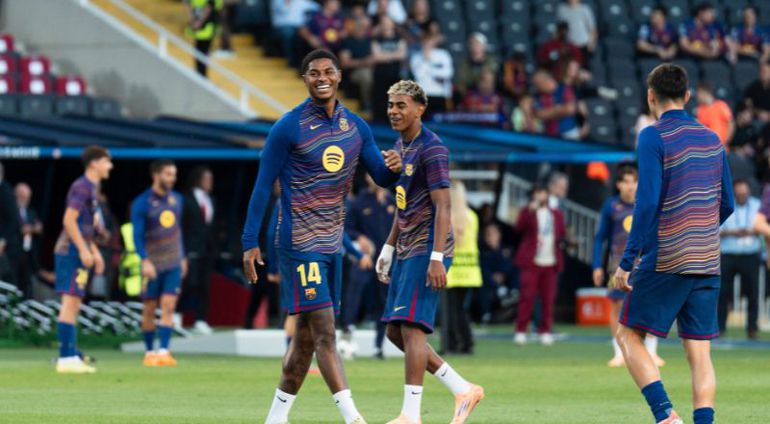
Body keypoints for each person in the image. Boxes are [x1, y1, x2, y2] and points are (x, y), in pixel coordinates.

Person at [241, 49, 402, 424]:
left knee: (307, 341)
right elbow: (263, 186)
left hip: (332, 244)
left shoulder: (357, 129)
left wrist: (396, 167)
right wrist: (250, 241)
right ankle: (354, 418)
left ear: (340, 76)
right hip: (298, 243)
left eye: (328, 71)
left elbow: (380, 175)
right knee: (326, 330)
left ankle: (275, 419)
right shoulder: (288, 126)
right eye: (313, 73)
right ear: (305, 79)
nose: (322, 77)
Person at [613, 63, 734, 424]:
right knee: (699, 353)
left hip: (667, 255)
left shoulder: (652, 136)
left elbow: (646, 202)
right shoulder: (713, 138)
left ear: (651, 97)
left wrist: (627, 259)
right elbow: (726, 202)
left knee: (627, 334)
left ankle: (666, 417)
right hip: (708, 259)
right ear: (687, 96)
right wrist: (699, 231)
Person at [375, 80, 484, 424]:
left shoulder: (432, 149)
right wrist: (389, 246)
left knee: (412, 329)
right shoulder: (400, 146)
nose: (394, 111)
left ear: (420, 109)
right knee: (395, 332)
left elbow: (444, 207)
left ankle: (411, 415)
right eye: (391, 105)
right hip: (407, 246)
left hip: (427, 248)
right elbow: (403, 203)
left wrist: (438, 257)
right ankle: (462, 389)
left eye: (401, 105)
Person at [592, 166, 665, 367]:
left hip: (645, 264)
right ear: (618, 184)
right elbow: (600, 238)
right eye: (625, 181)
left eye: (633, 181)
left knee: (650, 305)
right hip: (617, 266)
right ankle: (619, 352)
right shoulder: (611, 206)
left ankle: (651, 351)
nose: (630, 186)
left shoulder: (648, 203)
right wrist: (597, 265)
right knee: (616, 306)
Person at [54, 146, 113, 374]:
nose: (110, 166)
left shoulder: (92, 188)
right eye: (107, 161)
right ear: (94, 163)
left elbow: (85, 226)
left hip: (78, 250)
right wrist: (83, 250)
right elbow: (69, 221)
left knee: (75, 302)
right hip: (70, 251)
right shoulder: (81, 187)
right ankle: (66, 358)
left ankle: (71, 354)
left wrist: (94, 252)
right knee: (69, 302)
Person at [131, 160, 188, 367]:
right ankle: (148, 352)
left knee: (169, 305)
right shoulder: (142, 203)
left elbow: (177, 231)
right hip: (152, 265)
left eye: (174, 174)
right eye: (168, 174)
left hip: (173, 262)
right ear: (156, 175)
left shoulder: (177, 200)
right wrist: (144, 260)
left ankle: (164, 351)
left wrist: (182, 257)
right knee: (149, 308)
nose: (172, 178)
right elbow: (137, 235)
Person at [345, 174, 395, 358]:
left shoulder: (393, 201)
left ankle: (379, 347)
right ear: (367, 178)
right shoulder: (360, 201)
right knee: (354, 296)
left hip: (387, 261)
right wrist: (360, 238)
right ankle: (347, 339)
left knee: (384, 301)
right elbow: (347, 228)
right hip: (366, 259)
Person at [513, 184, 567, 346]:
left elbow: (561, 233)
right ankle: (521, 330)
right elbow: (518, 228)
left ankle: (545, 331)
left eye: (544, 193)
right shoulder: (527, 211)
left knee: (548, 299)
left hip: (550, 261)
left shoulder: (556, 214)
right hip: (532, 261)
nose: (541, 196)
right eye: (538, 193)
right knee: (526, 297)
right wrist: (530, 212)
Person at [719, 179, 761, 339]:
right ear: (734, 193)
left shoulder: (757, 205)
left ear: (749, 192)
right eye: (739, 193)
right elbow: (717, 229)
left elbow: (762, 225)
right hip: (728, 254)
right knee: (723, 293)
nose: (742, 195)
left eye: (744, 192)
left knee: (753, 294)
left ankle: (752, 329)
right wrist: (733, 232)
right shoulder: (727, 205)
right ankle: (720, 328)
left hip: (750, 255)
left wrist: (752, 231)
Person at [444, 180, 482, 354]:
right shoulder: (472, 217)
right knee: (461, 310)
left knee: (450, 310)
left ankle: (451, 344)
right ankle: (466, 342)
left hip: (452, 269)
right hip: (470, 270)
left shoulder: (447, 217)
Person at [181, 166, 216, 335]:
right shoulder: (186, 200)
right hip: (190, 250)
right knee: (189, 284)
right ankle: (176, 314)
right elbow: (183, 226)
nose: (210, 182)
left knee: (204, 286)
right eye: (206, 179)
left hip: (206, 251)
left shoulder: (211, 200)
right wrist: (184, 250)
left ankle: (201, 319)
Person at [371, 16, 407, 122]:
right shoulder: (376, 39)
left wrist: (385, 56)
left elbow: (402, 54)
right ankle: (380, 118)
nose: (386, 25)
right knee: (381, 97)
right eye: (383, 22)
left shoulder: (399, 38)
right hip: (380, 73)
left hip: (395, 73)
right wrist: (393, 55)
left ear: (392, 24)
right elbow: (376, 57)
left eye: (388, 22)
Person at [409, 31, 453, 118]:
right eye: (425, 41)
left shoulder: (443, 54)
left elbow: (448, 73)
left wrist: (430, 70)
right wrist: (426, 59)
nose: (427, 44)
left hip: (440, 94)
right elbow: (418, 75)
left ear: (433, 42)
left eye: (429, 41)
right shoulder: (416, 57)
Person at [339, 15, 375, 114]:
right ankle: (366, 104)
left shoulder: (369, 41)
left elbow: (374, 57)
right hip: (352, 73)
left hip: (370, 68)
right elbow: (344, 63)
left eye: (365, 27)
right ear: (355, 27)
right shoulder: (348, 41)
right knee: (366, 75)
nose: (363, 29)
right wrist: (363, 62)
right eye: (360, 26)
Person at [531, 69, 579, 140]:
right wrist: (558, 109)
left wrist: (550, 111)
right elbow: (539, 114)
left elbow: (570, 109)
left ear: (545, 81)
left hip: (569, 133)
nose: (536, 87)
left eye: (537, 84)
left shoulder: (564, 88)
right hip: (550, 136)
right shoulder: (538, 96)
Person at [271, 0, 319, 68]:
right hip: (283, 26)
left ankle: (306, 63)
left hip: (302, 27)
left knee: (313, 34)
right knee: (288, 32)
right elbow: (282, 12)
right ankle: (292, 61)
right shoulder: (278, 1)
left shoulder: (306, 2)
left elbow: (317, 10)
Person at [14, 183, 43, 298]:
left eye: (27, 197)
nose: (25, 199)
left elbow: (39, 227)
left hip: (28, 254)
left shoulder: (31, 212)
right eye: (22, 196)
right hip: (15, 251)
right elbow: (18, 228)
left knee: (27, 283)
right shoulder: (11, 210)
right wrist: (30, 228)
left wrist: (30, 228)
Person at [454, 32, 499, 98]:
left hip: (487, 92)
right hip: (470, 92)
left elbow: (491, 76)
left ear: (484, 46)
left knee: (488, 77)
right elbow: (461, 80)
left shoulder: (491, 61)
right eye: (472, 43)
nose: (475, 46)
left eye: (478, 43)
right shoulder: (464, 63)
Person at [0, 161, 21, 286]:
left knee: (7, 279)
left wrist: (3, 239)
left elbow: (13, 219)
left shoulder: (5, 191)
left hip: (9, 246)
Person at [185, 0, 218, 77]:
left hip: (207, 27)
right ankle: (199, 76)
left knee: (203, 54)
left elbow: (208, 7)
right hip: (199, 27)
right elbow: (188, 6)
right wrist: (193, 21)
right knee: (199, 53)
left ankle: (202, 77)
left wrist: (197, 22)